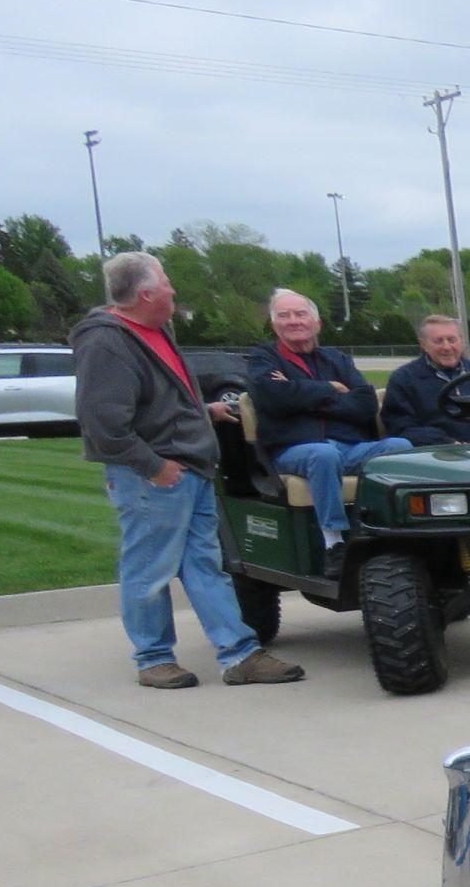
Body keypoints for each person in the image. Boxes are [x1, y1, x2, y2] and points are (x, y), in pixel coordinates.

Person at [71, 253, 303, 688]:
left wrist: (203, 412)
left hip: (192, 469)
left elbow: (157, 401)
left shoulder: (154, 332)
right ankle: (153, 659)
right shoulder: (107, 343)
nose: (173, 289)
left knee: (205, 567)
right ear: (145, 294)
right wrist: (154, 467)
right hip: (153, 478)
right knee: (149, 569)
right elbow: (103, 426)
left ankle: (240, 655)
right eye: (165, 282)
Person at [244, 288, 408, 577]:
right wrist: (331, 388)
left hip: (351, 447)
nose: (293, 321)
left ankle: (399, 532)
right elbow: (274, 398)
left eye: (300, 314)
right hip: (294, 449)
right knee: (324, 455)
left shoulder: (337, 360)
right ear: (274, 324)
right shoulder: (264, 358)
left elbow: (366, 403)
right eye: (284, 315)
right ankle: (333, 543)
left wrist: (301, 396)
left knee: (401, 446)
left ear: (317, 323)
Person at [382, 314, 470, 444]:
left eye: (452, 340)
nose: (447, 347)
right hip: (439, 453)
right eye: (438, 341)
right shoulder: (405, 379)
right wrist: (447, 442)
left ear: (461, 341)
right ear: (423, 344)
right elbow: (400, 427)